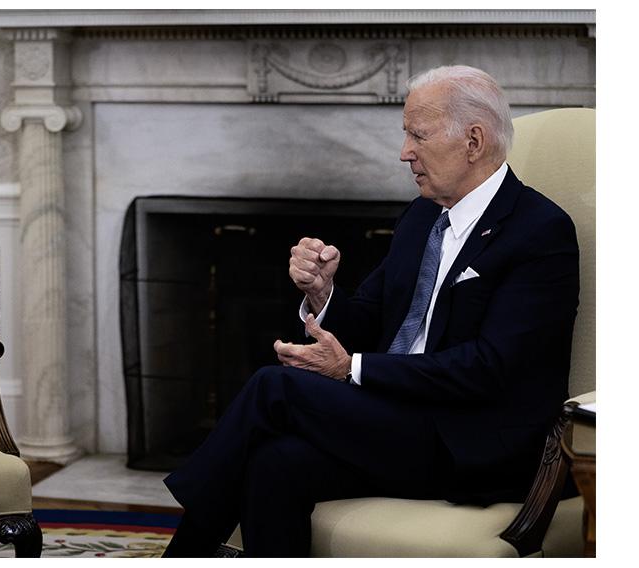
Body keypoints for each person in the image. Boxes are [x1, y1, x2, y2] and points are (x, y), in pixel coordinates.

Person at [162, 65, 580, 557]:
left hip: (474, 441)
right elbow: (369, 315)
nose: (405, 152)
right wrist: (323, 294)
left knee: (273, 387)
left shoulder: (541, 231)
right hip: (397, 422)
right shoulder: (422, 215)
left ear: (473, 141)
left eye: (417, 135)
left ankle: (182, 553)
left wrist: (351, 369)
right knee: (275, 463)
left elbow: (490, 369)